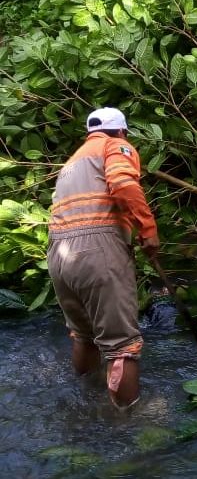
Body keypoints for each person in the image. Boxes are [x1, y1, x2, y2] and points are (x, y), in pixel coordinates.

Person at [48, 107, 160, 409]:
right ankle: (129, 420)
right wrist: (147, 228)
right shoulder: (115, 145)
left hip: (58, 254)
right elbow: (123, 184)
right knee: (122, 345)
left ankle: (85, 404)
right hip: (97, 250)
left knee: (84, 335)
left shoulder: (72, 162)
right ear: (122, 131)